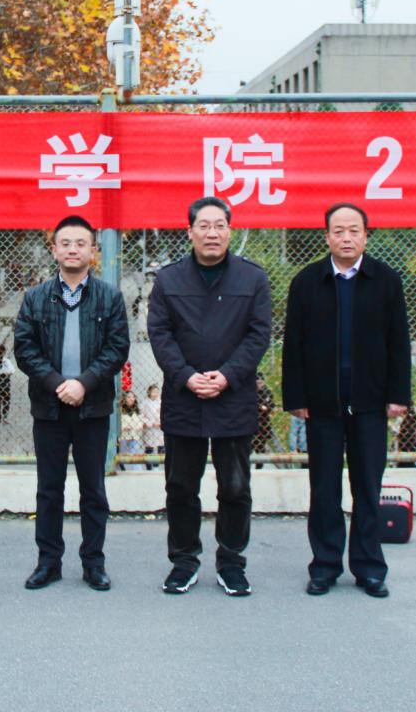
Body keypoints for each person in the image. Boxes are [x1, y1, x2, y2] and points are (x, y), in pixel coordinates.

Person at [282, 202, 411, 599]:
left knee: (367, 487)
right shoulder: (307, 282)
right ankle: (324, 566)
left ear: (366, 236)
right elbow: (293, 344)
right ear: (327, 237)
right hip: (322, 403)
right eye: (338, 231)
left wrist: (398, 394)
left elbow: (399, 341)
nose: (346, 238)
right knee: (324, 488)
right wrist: (296, 396)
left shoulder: (385, 280)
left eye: (354, 230)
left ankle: (369, 567)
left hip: (370, 401)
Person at [147, 196, 272, 597]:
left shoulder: (252, 278)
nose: (212, 233)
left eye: (220, 225)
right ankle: (183, 562)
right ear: (190, 232)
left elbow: (259, 334)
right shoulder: (169, 280)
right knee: (181, 487)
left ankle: (231, 562)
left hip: (233, 399)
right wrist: (186, 376)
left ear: (230, 231)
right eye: (204, 226)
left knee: (235, 488)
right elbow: (160, 335)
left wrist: (228, 376)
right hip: (184, 399)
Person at [13, 215, 129, 592]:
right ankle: (48, 562)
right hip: (49, 407)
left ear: (93, 251)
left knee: (93, 489)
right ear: (54, 250)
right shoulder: (35, 297)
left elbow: (117, 349)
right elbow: (25, 349)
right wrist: (58, 384)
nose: (73, 249)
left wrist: (83, 384)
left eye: (81, 243)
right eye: (65, 243)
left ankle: (94, 563)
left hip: (92, 408)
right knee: (49, 489)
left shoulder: (110, 297)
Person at [119, 391, 146, 467]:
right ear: (124, 399)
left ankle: (136, 469)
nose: (132, 399)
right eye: (129, 397)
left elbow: (141, 421)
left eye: (133, 397)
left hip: (135, 435)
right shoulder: (120, 410)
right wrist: (123, 427)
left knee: (134, 454)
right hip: (123, 435)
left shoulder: (137, 410)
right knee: (123, 453)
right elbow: (117, 423)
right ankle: (122, 467)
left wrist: (139, 426)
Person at [141, 383, 164, 455]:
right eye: (153, 392)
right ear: (149, 392)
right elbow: (141, 416)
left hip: (159, 427)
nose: (155, 394)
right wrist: (150, 423)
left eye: (157, 392)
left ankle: (160, 460)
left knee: (161, 447)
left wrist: (161, 422)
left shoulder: (161, 402)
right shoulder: (144, 403)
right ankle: (149, 461)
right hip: (149, 428)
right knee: (149, 448)